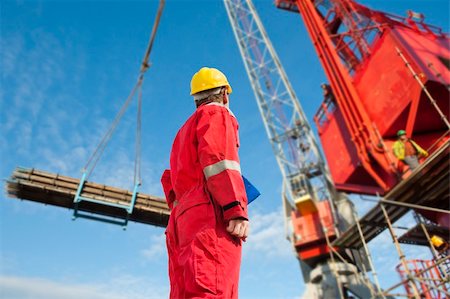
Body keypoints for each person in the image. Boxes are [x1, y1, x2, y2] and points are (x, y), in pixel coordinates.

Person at [161, 67, 249, 299]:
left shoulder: (182, 132)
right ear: (224, 94)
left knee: (187, 290)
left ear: (195, 100)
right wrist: (235, 208)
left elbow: (171, 179)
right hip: (209, 214)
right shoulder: (216, 113)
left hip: (182, 221)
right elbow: (220, 160)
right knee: (214, 287)